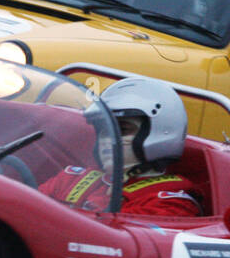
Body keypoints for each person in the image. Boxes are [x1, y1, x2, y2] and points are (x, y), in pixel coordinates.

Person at [41, 76, 204, 216]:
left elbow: (109, 239)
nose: (108, 139)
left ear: (160, 132)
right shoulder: (70, 178)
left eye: (123, 130)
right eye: (105, 130)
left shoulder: (172, 202)